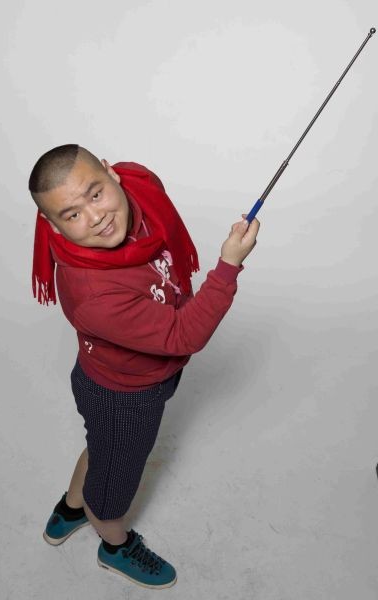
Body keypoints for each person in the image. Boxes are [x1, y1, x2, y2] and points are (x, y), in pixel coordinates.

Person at [29, 144, 260, 589]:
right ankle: (112, 544)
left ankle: (72, 509)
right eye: (72, 215)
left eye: (95, 194)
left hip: (131, 375)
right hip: (125, 395)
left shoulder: (138, 187)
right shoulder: (93, 295)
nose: (96, 217)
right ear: (52, 225)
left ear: (112, 173)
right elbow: (183, 335)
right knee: (113, 486)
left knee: (102, 448)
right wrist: (228, 265)